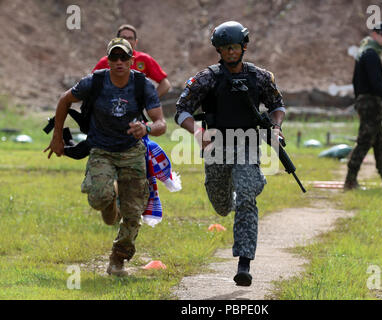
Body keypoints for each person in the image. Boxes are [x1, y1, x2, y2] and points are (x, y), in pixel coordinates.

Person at [174, 21, 286, 286]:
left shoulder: (259, 77)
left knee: (246, 196)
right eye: (224, 49)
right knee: (222, 205)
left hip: (247, 143)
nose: (230, 53)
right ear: (219, 50)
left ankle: (244, 262)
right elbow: (181, 110)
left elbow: (277, 105)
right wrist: (197, 133)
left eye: (234, 47)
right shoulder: (207, 78)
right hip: (216, 147)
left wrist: (276, 128)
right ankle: (249, 184)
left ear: (244, 47)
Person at [44, 38, 167, 276]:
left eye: (124, 58)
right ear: (108, 60)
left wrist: (147, 128)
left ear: (132, 61)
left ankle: (118, 259)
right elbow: (64, 99)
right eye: (114, 57)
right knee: (100, 198)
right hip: (102, 150)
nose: (119, 62)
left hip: (132, 152)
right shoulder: (95, 81)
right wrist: (57, 136)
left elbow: (161, 123)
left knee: (133, 213)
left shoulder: (143, 85)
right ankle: (111, 202)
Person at [344, 21, 382, 190]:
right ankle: (350, 181)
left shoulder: (365, 52)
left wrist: (358, 103)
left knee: (379, 143)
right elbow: (377, 84)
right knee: (364, 141)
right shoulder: (371, 54)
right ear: (375, 34)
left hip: (366, 102)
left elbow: (355, 82)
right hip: (370, 103)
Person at [93, 24, 171, 98]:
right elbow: (90, 84)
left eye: (130, 38)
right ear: (117, 40)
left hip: (136, 109)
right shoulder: (106, 61)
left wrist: (150, 100)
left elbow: (165, 84)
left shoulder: (144, 59)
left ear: (136, 42)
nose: (127, 41)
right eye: (123, 37)